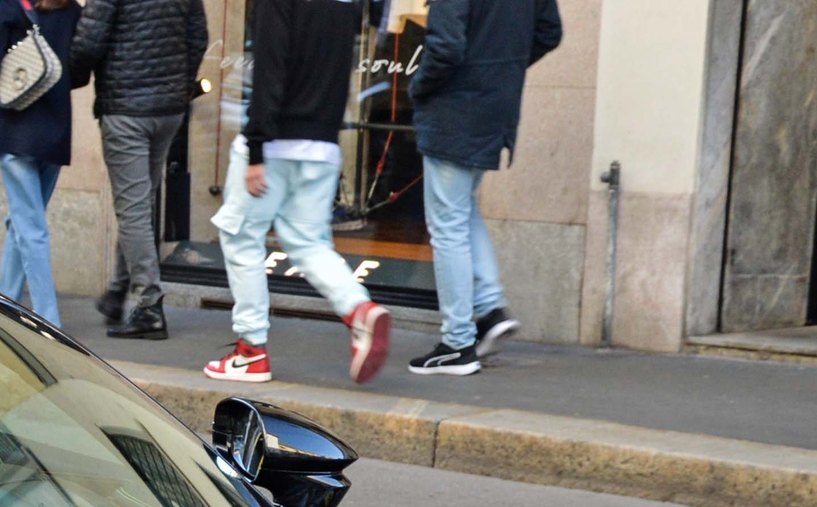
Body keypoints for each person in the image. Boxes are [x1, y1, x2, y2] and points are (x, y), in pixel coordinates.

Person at [203, 0, 391, 385]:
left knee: (241, 237)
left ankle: (251, 351)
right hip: (321, 143)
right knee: (308, 242)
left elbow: (270, 70)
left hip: (274, 144)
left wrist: (256, 149)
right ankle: (358, 309)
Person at [406, 0, 560, 375]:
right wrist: (499, 70)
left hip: (455, 109)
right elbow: (548, 32)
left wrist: (418, 86)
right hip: (496, 105)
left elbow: (445, 46)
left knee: (448, 226)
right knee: (464, 212)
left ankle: (458, 343)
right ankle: (490, 309)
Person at [68, 0, 206, 340]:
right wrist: (179, 86)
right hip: (169, 110)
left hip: (126, 108)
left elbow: (87, 43)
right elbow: (198, 37)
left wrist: (68, 76)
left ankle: (149, 306)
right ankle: (117, 292)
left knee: (132, 208)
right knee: (140, 203)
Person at [0, 0, 81, 324]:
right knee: (22, 222)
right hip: (55, 132)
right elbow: (79, 74)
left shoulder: (9, 5)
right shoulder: (74, 10)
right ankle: (4, 304)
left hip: (17, 130)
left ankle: (47, 319)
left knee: (30, 227)